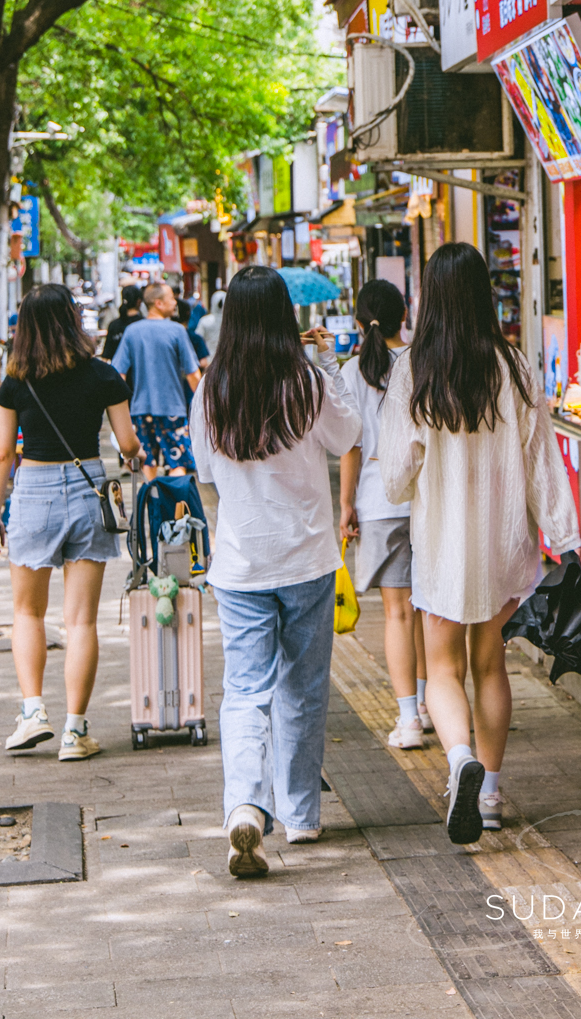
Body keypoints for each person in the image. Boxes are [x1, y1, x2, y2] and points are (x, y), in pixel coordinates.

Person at [381, 241, 581, 844]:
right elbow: (542, 463)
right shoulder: (513, 367)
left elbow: (396, 479)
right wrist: (565, 536)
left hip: (442, 548)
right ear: (482, 294)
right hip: (503, 545)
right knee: (490, 665)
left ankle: (459, 759)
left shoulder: (413, 370)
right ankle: (489, 794)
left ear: (431, 298)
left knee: (443, 667)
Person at [190, 264, 361, 879]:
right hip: (307, 558)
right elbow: (348, 436)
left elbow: (206, 473)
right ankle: (301, 814)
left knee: (245, 690)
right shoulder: (306, 382)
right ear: (285, 316)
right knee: (303, 687)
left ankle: (244, 804)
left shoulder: (210, 391)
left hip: (240, 564)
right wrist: (329, 363)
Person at [0, 285, 144, 760]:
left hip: (33, 492)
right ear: (72, 319)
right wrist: (134, 456)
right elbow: (128, 443)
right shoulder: (102, 374)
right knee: (81, 620)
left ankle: (33, 712)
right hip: (89, 490)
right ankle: (75, 731)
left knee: (27, 613)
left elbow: (1, 454)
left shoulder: (16, 380)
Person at [338, 280, 431, 747]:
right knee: (430, 608)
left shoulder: (352, 371)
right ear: (404, 316)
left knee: (398, 614)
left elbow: (350, 445)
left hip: (379, 503)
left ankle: (409, 719)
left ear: (359, 323)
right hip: (429, 498)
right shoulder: (424, 360)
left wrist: (345, 504)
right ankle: (434, 704)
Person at [112, 280, 201, 479]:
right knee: (177, 462)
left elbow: (118, 374)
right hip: (172, 410)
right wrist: (204, 404)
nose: (175, 302)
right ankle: (176, 498)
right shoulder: (177, 331)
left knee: (147, 461)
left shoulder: (132, 331)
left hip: (141, 409)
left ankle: (152, 496)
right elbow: (193, 374)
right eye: (171, 299)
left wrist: (123, 409)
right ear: (158, 303)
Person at [101, 284, 144, 365]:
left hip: (117, 370)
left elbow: (106, 356)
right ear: (139, 302)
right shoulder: (144, 324)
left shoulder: (114, 325)